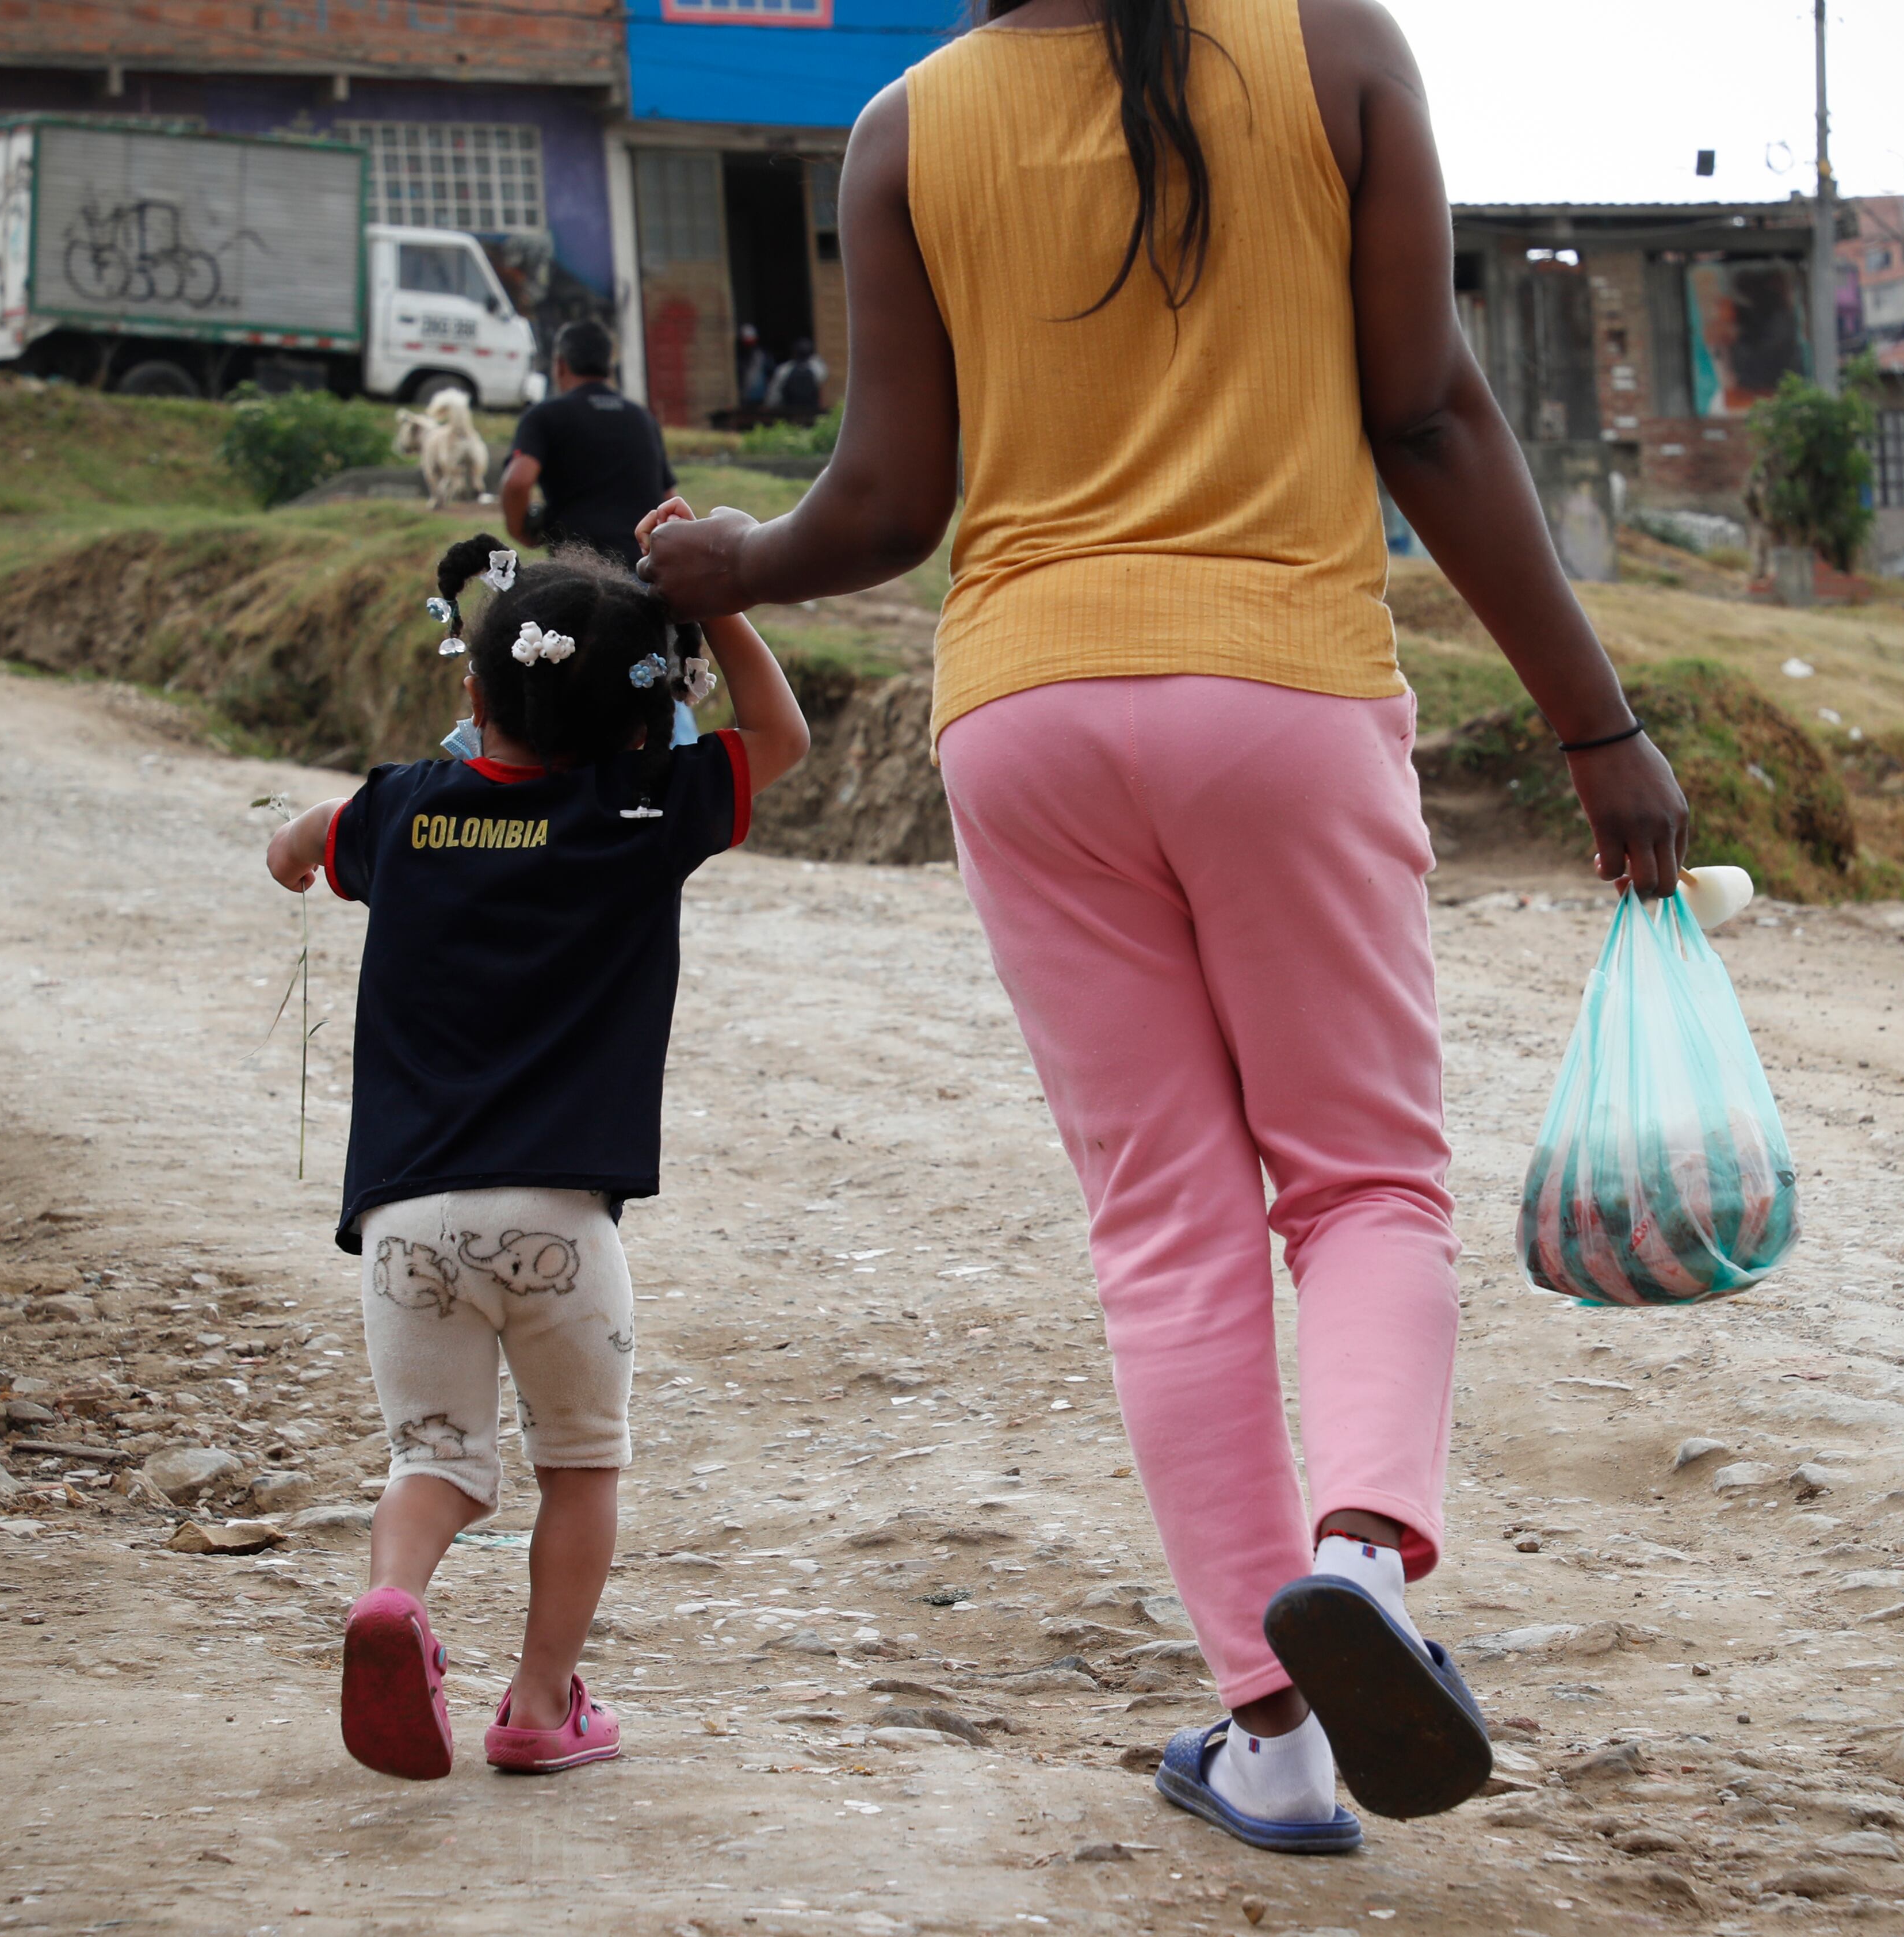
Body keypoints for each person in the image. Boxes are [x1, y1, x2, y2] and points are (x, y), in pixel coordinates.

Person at [644, 0, 1688, 1856]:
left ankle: (1275, 1733)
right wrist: (1596, 725)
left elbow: (886, 504)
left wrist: (739, 561)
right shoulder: (1336, 53)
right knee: (1360, 1181)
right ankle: (1358, 1559)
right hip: (1281, 691)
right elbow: (1431, 410)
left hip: (1029, 713)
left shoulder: (909, 126)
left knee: (1165, 1223)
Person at [262, 528, 807, 1781]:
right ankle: (540, 1703)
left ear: (473, 693)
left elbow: (302, 836)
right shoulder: (641, 807)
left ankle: (396, 1599)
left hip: (404, 1226)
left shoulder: (399, 809)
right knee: (579, 1467)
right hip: (562, 1226)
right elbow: (781, 741)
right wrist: (719, 608)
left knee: (437, 1460)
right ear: (647, 721)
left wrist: (292, 853)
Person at [502, 320, 675, 568]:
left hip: (583, 576)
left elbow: (518, 481)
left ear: (560, 365)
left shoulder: (545, 416)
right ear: (608, 366)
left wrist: (521, 531)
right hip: (643, 574)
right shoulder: (642, 418)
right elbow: (669, 499)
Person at [773, 337, 828, 420]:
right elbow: (823, 372)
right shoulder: (817, 370)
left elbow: (775, 395)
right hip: (811, 413)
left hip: (791, 414)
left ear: (794, 353)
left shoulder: (784, 370)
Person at [735, 324, 774, 410]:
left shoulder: (763, 355)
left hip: (762, 396)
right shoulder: (739, 358)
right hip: (745, 397)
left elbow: (771, 373)